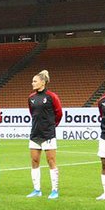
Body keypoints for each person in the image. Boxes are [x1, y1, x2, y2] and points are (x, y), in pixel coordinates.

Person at [26, 70, 64, 199]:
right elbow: (33, 114)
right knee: (34, 161)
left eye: (35, 81)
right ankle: (37, 190)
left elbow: (58, 113)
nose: (32, 83)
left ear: (43, 82)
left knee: (51, 161)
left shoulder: (52, 96)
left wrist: (51, 126)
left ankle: (54, 190)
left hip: (48, 134)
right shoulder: (31, 98)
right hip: (35, 133)